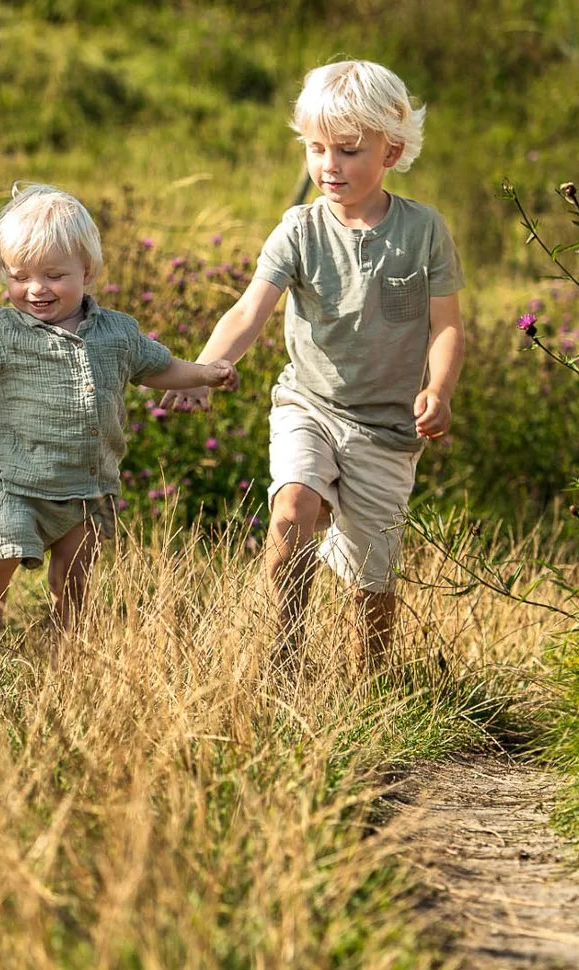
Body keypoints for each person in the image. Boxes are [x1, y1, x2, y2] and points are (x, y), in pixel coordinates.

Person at [174, 61, 464, 671]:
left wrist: (437, 389)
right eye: (316, 148)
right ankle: (280, 662)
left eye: (349, 151)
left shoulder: (424, 231)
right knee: (292, 511)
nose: (329, 165)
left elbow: (447, 327)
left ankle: (372, 687)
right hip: (309, 405)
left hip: (387, 428)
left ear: (394, 149)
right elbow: (250, 310)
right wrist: (205, 368)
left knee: (371, 585)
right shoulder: (298, 230)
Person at [0, 185, 234, 643]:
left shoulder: (117, 333)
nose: (35, 289)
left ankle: (64, 628)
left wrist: (204, 374)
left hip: (89, 485)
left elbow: (160, 367)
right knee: (3, 544)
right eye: (20, 275)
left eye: (53, 275)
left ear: (86, 272)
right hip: (21, 481)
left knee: (75, 572)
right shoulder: (4, 329)